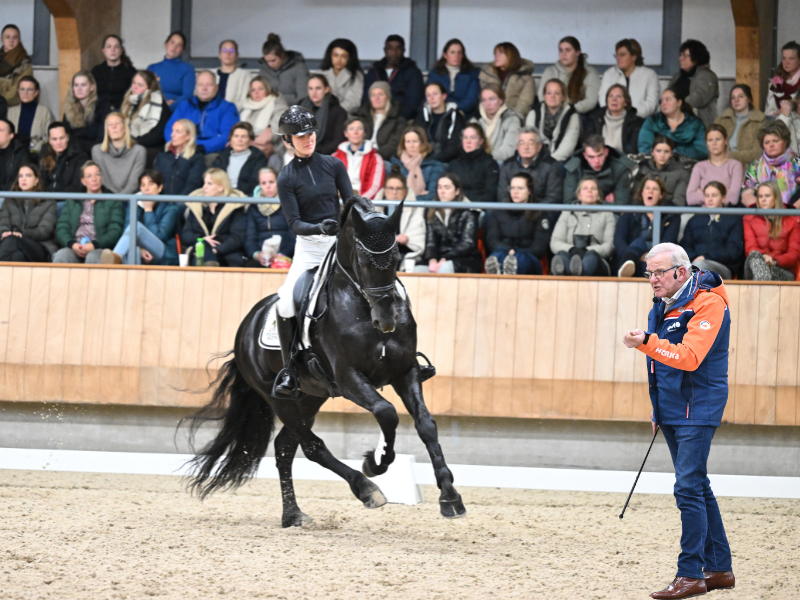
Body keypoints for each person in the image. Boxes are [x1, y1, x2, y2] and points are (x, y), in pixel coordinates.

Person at [622, 242, 734, 600]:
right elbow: (659, 366)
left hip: (698, 408)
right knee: (697, 486)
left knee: (687, 488)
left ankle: (690, 574)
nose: (652, 279)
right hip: (672, 409)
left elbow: (688, 358)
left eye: (658, 273)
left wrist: (645, 342)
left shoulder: (709, 303)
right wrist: (657, 407)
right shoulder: (663, 303)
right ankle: (719, 569)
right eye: (648, 273)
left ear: (680, 272)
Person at [273, 106, 353, 396]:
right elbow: (294, 224)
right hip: (309, 250)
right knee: (285, 302)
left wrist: (362, 215)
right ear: (287, 139)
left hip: (338, 246)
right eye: (301, 136)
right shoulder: (286, 177)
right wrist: (320, 228)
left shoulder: (334, 165)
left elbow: (351, 200)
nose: (309, 140)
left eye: (311, 133)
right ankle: (290, 370)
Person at [103, 169, 180, 265]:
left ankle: (116, 257)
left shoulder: (171, 208)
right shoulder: (135, 204)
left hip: (164, 254)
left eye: (151, 184)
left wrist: (148, 210)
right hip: (141, 251)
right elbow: (126, 233)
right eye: (143, 185)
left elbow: (160, 237)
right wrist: (140, 248)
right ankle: (131, 278)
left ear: (160, 188)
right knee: (133, 250)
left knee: (136, 226)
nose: (146, 188)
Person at [52, 161, 124, 264]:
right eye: (89, 176)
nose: (94, 179)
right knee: (62, 256)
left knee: (93, 257)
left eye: (97, 175)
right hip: (75, 247)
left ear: (101, 177)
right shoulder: (73, 200)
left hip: (99, 247)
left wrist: (94, 245)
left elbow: (115, 230)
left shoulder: (112, 200)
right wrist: (72, 244)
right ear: (83, 181)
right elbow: (62, 226)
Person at [485, 172, 551, 275]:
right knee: (498, 254)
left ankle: (509, 271)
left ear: (529, 191)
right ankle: (498, 271)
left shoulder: (539, 212)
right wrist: (509, 252)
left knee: (521, 256)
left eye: (520, 188)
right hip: (505, 253)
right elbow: (492, 240)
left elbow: (539, 247)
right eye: (512, 188)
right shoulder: (498, 211)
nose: (515, 192)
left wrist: (515, 254)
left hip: (530, 259)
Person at [615, 175, 680, 277]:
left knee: (645, 266)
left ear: (661, 195)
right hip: (633, 255)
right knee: (640, 242)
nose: (650, 192)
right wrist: (630, 254)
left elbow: (669, 241)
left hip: (658, 259)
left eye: (655, 189)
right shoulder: (630, 211)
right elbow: (619, 238)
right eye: (647, 188)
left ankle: (629, 260)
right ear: (642, 192)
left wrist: (650, 257)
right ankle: (628, 261)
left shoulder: (671, 214)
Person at [181, 168, 247, 266]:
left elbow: (236, 238)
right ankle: (210, 261)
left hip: (226, 253)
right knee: (200, 255)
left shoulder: (235, 208)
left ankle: (209, 261)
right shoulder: (196, 207)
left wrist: (214, 251)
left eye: (209, 184)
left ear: (221, 187)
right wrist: (202, 239)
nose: (204, 187)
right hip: (199, 252)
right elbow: (186, 235)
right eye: (204, 183)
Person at [417, 173, 482, 274]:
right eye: (439, 187)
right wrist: (432, 259)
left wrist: (445, 258)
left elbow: (468, 244)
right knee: (417, 270)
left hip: (466, 259)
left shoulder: (469, 211)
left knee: (445, 268)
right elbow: (431, 242)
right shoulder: (431, 211)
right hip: (440, 258)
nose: (442, 191)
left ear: (457, 191)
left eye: (447, 188)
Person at [550, 176, 615, 275]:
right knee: (562, 256)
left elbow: (609, 246)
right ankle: (565, 271)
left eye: (593, 188)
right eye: (585, 188)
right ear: (579, 195)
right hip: (570, 255)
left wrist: (586, 251)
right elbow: (555, 242)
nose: (589, 191)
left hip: (597, 259)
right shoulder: (567, 212)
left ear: (598, 195)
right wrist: (572, 249)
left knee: (591, 257)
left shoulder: (607, 215)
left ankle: (579, 271)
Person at [165, 70, 239, 156]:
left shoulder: (227, 108)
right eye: (200, 85)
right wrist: (180, 145)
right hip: (183, 148)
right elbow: (169, 129)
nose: (204, 88)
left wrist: (201, 147)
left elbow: (227, 135)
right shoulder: (184, 106)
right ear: (196, 87)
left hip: (211, 152)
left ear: (216, 87)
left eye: (209, 85)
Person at [680, 181, 744, 280]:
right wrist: (696, 257)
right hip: (694, 263)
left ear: (723, 198)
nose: (710, 199)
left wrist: (706, 257)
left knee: (698, 265)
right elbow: (685, 247)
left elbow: (733, 252)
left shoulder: (733, 220)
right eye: (707, 195)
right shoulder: (695, 220)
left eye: (714, 195)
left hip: (723, 267)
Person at [743, 181, 800, 281]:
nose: (763, 200)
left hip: (781, 269)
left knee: (761, 270)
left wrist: (774, 261)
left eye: (767, 196)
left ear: (776, 198)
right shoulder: (749, 218)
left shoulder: (792, 220)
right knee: (755, 257)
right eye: (760, 196)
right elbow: (750, 248)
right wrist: (763, 257)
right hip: (755, 264)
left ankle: (760, 295)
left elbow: (794, 254)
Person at [0, 164, 57, 262]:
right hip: (11, 244)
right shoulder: (9, 200)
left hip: (39, 246)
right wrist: (4, 232)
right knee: (17, 255)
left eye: (28, 176)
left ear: (37, 180)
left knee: (12, 240)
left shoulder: (48, 202)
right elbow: (3, 223)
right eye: (20, 176)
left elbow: (44, 232)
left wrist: (21, 234)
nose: (23, 179)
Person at [362, 34, 424, 120]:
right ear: (385, 50)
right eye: (390, 48)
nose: (394, 52)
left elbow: (412, 104)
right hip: (373, 118)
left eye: (398, 49)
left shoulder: (413, 73)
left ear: (403, 51)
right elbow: (366, 100)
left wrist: (394, 120)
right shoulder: (374, 71)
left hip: (400, 120)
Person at [375, 168, 426, 272]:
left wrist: (407, 238)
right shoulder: (375, 209)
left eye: (398, 189)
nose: (394, 192)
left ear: (405, 190)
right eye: (390, 188)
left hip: (405, 253)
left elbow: (417, 233)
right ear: (385, 190)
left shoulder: (416, 208)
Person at [498, 127, 563, 206]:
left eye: (531, 143)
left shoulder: (551, 166)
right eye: (522, 143)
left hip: (540, 213)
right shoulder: (508, 165)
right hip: (512, 212)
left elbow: (553, 198)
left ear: (539, 146)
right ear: (517, 147)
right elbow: (502, 196)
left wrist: (531, 213)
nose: (526, 147)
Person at [741, 120, 800, 208]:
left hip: (793, 213)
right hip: (763, 214)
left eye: (775, 141)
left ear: (785, 142)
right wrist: (765, 212)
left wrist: (790, 211)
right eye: (767, 142)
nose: (771, 145)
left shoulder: (797, 161)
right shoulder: (756, 165)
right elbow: (745, 195)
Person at [244, 167, 295, 267]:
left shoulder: (289, 204)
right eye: (263, 183)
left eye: (271, 182)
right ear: (259, 186)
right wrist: (257, 255)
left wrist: (280, 255)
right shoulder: (253, 206)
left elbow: (294, 236)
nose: (267, 186)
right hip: (261, 256)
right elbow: (250, 237)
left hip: (285, 255)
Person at [563, 135, 635, 204]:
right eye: (591, 157)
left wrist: (586, 200)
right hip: (580, 214)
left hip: (610, 215)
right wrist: (603, 203)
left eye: (600, 155)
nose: (596, 161)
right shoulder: (574, 167)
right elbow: (569, 204)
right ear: (585, 155)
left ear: (606, 152)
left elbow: (621, 206)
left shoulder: (620, 167)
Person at [639, 87, 707, 160]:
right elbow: (644, 148)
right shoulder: (652, 121)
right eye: (661, 101)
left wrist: (675, 152)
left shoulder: (695, 124)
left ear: (679, 102)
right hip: (657, 165)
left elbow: (702, 151)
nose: (663, 104)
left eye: (668, 100)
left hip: (687, 166)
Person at [537, 36, 600, 115]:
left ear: (577, 52)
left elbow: (591, 101)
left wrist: (569, 111)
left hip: (579, 114)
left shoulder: (590, 73)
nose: (564, 54)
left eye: (568, 50)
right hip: (552, 113)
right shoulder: (550, 71)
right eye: (561, 50)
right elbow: (542, 96)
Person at [598, 38, 660, 118]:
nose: (618, 58)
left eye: (622, 54)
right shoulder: (609, 74)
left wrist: (632, 114)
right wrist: (616, 113)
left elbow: (652, 103)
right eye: (616, 55)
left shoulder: (650, 75)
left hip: (640, 120)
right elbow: (603, 99)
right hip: (613, 118)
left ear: (634, 57)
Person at [524, 79, 580, 162]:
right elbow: (529, 141)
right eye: (548, 93)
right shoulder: (534, 113)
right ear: (544, 96)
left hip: (560, 161)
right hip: (536, 160)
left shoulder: (572, 116)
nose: (552, 96)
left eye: (557, 93)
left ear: (563, 97)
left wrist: (549, 163)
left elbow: (568, 146)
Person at [686, 125, 743, 206]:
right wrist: (723, 193)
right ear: (706, 143)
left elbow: (733, 199)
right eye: (710, 140)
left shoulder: (735, 165)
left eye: (718, 139)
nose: (714, 143)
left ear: (726, 141)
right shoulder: (699, 166)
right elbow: (690, 199)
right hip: (703, 214)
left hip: (726, 214)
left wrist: (703, 193)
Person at [91, 112, 146, 194]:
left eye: (117, 123)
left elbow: (133, 184)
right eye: (110, 124)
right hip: (107, 199)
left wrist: (118, 200)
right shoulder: (97, 151)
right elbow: (101, 181)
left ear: (124, 128)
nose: (114, 127)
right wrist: (112, 201)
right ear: (107, 130)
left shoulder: (139, 151)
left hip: (130, 199)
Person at [386, 126, 445, 202]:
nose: (411, 146)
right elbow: (390, 193)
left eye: (415, 141)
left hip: (424, 209)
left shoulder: (435, 166)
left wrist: (409, 201)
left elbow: (433, 195)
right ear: (403, 144)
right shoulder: (395, 165)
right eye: (408, 142)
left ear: (422, 143)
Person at [668, 39, 719, 128]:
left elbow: (698, 98)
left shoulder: (707, 76)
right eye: (680, 55)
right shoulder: (678, 76)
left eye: (685, 56)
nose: (680, 58)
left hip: (699, 126)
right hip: (676, 123)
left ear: (696, 58)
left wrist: (673, 106)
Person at [478, 42, 535, 118]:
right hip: (490, 118)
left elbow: (524, 103)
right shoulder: (488, 75)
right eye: (495, 53)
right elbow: (483, 99)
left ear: (510, 56)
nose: (496, 56)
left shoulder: (526, 79)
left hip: (514, 119)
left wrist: (512, 118)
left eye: (500, 53)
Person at [426, 39, 481, 118]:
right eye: (452, 52)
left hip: (465, 116)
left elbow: (472, 99)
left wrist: (453, 107)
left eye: (459, 52)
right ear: (445, 55)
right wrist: (443, 108)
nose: (456, 56)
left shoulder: (472, 74)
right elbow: (428, 95)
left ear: (463, 55)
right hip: (439, 114)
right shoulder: (435, 74)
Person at [332, 116, 384, 199]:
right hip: (338, 202)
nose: (355, 132)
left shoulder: (375, 158)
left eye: (359, 129)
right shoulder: (334, 157)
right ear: (346, 133)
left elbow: (375, 187)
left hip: (364, 204)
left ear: (364, 133)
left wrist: (359, 202)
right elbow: (330, 183)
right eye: (351, 129)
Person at [413, 81, 465, 163]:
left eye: (435, 94)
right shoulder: (421, 116)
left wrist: (434, 160)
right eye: (428, 95)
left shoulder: (456, 117)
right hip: (422, 159)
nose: (431, 98)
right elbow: (415, 138)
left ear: (444, 96)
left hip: (447, 162)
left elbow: (454, 146)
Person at [211, 122, 269, 196]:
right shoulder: (221, 157)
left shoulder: (258, 158)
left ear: (251, 141)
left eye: (244, 137)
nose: (239, 140)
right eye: (236, 136)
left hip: (244, 197)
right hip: (220, 195)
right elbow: (212, 178)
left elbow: (256, 183)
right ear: (231, 140)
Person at [714, 84, 766, 166]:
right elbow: (711, 146)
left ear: (749, 99)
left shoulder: (759, 122)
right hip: (722, 164)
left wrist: (729, 155)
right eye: (733, 98)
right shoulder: (721, 120)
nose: (736, 100)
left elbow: (757, 153)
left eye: (741, 96)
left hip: (749, 167)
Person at [584, 84, 643, 155]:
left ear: (626, 103)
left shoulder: (636, 122)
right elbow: (589, 144)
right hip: (599, 160)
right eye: (610, 96)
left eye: (618, 96)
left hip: (623, 161)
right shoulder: (594, 118)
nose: (614, 99)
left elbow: (632, 149)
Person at [353, 81, 406, 161]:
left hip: (383, 159)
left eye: (381, 95)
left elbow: (393, 146)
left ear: (388, 97)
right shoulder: (361, 117)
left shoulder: (398, 121)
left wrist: (372, 155)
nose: (376, 98)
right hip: (359, 156)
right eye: (373, 95)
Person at [447, 123, 499, 204]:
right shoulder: (453, 165)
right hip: (457, 208)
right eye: (465, 138)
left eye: (473, 138)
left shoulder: (490, 164)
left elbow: (491, 194)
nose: (468, 141)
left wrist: (472, 206)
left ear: (481, 141)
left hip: (481, 208)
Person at [120, 70, 170, 151]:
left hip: (149, 148)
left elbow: (157, 134)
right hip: (128, 144)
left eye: (140, 85)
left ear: (150, 88)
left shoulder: (159, 104)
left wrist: (134, 143)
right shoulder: (128, 101)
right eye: (134, 83)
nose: (135, 87)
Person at [153, 119, 206, 196]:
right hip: (161, 200)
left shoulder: (197, 157)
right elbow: (155, 181)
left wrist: (177, 202)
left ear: (188, 136)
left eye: (177, 132)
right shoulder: (163, 155)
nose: (172, 135)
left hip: (182, 202)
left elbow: (193, 185)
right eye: (172, 131)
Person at [633, 136, 690, 206]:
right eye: (658, 151)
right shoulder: (643, 168)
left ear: (671, 153)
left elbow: (679, 201)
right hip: (643, 212)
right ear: (652, 152)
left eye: (666, 151)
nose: (662, 155)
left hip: (668, 213)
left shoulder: (681, 172)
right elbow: (636, 197)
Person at [239, 76, 288, 156]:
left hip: (269, 147)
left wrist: (269, 133)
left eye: (260, 89)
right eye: (253, 90)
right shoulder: (244, 106)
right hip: (245, 145)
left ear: (267, 90)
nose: (256, 92)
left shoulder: (276, 100)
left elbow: (281, 118)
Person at [472, 84, 522, 162]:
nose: (488, 104)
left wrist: (483, 157)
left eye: (492, 99)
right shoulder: (476, 122)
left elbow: (508, 152)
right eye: (484, 100)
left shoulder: (512, 120)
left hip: (501, 163)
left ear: (501, 101)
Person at [299, 74, 347, 155]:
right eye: (310, 88)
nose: (314, 92)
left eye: (318, 88)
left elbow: (337, 141)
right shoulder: (300, 107)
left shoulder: (338, 112)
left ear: (326, 89)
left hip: (326, 155)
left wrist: (316, 152)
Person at [62, 71, 107, 154]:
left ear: (92, 87)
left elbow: (102, 139)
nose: (79, 89)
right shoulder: (69, 109)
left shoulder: (102, 107)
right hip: (74, 153)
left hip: (95, 152)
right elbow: (65, 135)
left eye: (83, 85)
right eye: (76, 85)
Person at [146, 32, 195, 107]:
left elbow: (187, 95)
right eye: (172, 42)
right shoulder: (152, 68)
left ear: (182, 50)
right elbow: (145, 92)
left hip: (176, 109)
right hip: (153, 107)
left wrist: (169, 106)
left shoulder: (187, 69)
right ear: (166, 44)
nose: (174, 47)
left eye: (179, 45)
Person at [38, 122, 89, 193]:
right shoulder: (45, 153)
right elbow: (42, 181)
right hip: (47, 199)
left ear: (68, 137)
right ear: (49, 140)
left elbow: (77, 185)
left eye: (62, 138)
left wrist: (57, 197)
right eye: (54, 139)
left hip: (68, 200)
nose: (59, 142)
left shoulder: (79, 155)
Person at [259, 34, 309, 106]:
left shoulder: (299, 67)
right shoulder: (264, 69)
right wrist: (290, 97)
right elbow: (259, 97)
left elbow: (303, 99)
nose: (270, 64)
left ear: (282, 56)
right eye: (267, 61)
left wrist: (273, 98)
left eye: (273, 60)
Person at [7, 76, 53, 153]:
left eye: (30, 90)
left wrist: (36, 148)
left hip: (37, 153)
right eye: (22, 89)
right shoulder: (11, 112)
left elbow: (49, 136)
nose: (25, 93)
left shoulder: (44, 111)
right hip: (15, 153)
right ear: (18, 91)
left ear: (36, 93)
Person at [91, 34, 137, 112]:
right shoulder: (96, 71)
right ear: (103, 51)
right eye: (109, 47)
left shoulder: (130, 71)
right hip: (99, 112)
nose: (113, 50)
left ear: (121, 50)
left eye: (116, 47)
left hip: (123, 111)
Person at [319, 38, 364, 114]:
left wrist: (334, 112)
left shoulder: (356, 76)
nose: (338, 60)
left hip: (346, 117)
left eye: (343, 56)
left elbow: (353, 102)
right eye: (335, 55)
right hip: (321, 115)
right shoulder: (320, 74)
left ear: (349, 58)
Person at [0, 24, 32, 107]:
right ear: (2, 39)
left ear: (19, 40)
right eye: (7, 37)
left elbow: (16, 93)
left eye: (15, 37)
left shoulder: (25, 66)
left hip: (13, 110)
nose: (11, 41)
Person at [765, 41, 800, 117]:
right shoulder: (775, 82)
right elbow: (769, 110)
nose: (787, 62)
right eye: (784, 58)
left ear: (799, 60)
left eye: (791, 58)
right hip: (778, 122)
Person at [215, 40, 250, 112]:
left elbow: (244, 101)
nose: (228, 53)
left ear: (237, 55)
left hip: (234, 115)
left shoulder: (244, 75)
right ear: (219, 54)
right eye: (224, 50)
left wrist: (227, 110)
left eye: (232, 50)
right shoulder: (211, 74)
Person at [0, 118, 30, 191]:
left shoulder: (21, 152)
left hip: (14, 197)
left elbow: (21, 180)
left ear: (11, 136)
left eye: (1, 130)